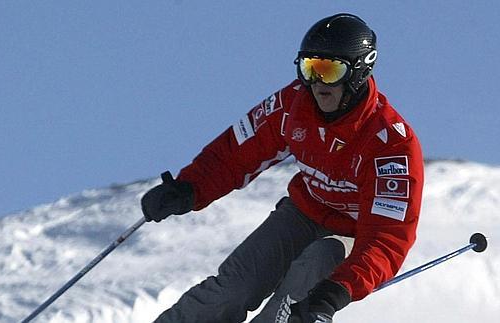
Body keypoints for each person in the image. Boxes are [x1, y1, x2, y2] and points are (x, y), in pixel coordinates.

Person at [141, 13, 424, 323]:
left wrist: (337, 291)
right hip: (302, 213)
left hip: (353, 235)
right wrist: (189, 188)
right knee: (233, 289)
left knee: (302, 288)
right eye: (308, 68)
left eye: (329, 70)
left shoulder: (391, 145)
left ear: (358, 71)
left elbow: (387, 237)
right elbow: (237, 152)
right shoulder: (293, 104)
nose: (316, 82)